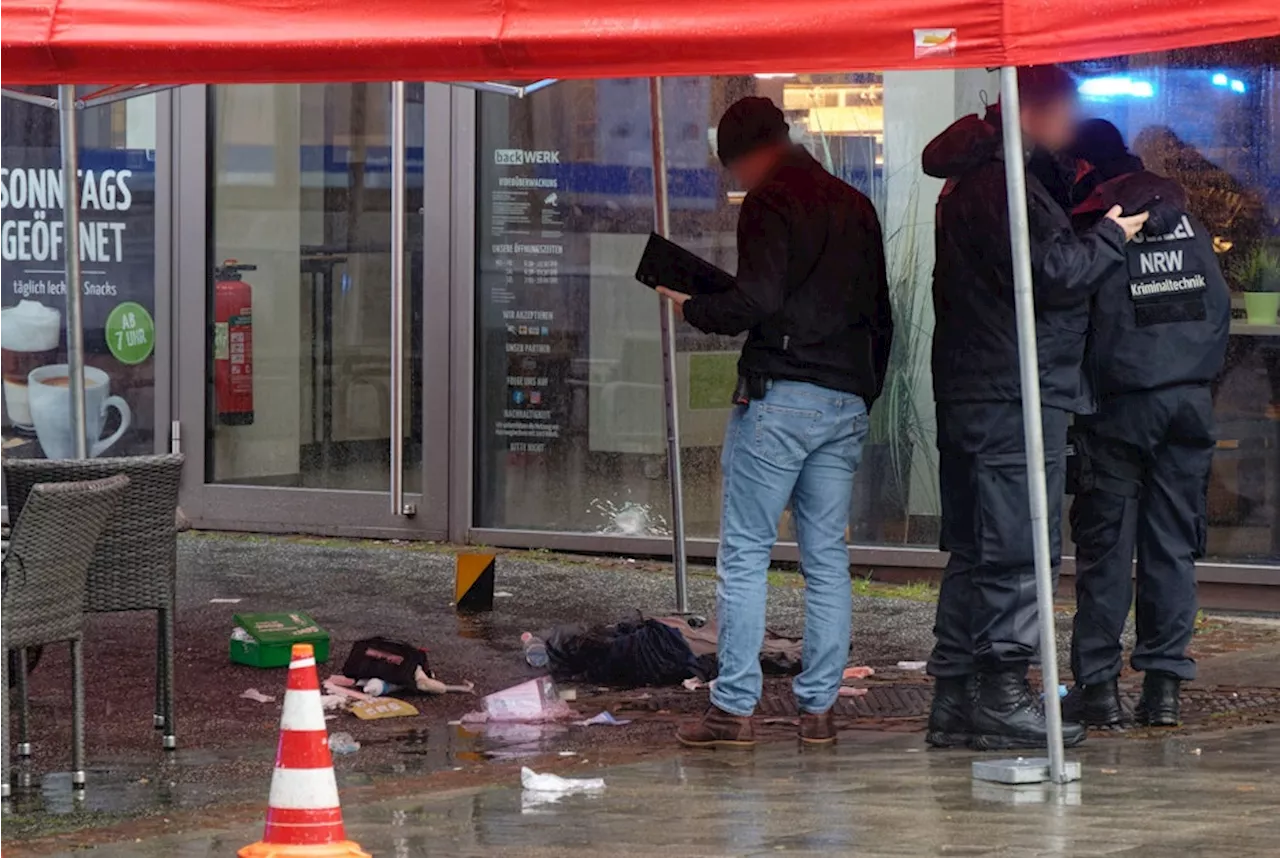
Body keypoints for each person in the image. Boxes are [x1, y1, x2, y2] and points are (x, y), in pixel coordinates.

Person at [921, 67, 1149, 751]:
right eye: (1066, 111)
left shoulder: (977, 177)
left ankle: (955, 698)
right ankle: (1002, 695)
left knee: (974, 548)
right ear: (1036, 110)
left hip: (976, 388)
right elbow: (1053, 276)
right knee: (1020, 549)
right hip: (1013, 391)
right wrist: (1113, 235)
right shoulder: (1007, 182)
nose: (1072, 127)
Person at [658, 97, 893, 748]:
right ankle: (818, 714)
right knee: (826, 563)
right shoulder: (854, 204)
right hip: (843, 399)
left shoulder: (770, 199)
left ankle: (732, 711)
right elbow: (883, 315)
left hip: (779, 397)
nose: (735, 181)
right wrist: (861, 391)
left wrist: (694, 307)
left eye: (732, 167)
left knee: (745, 556)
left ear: (749, 154)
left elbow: (756, 299)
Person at [1063, 120, 1231, 728]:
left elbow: (1082, 320)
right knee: (1172, 549)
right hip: (1189, 404)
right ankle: (1162, 691)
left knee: (1106, 550)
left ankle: (1100, 691)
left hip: (1121, 410)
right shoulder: (1190, 225)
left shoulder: (1103, 226)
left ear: (1087, 170)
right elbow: (1216, 313)